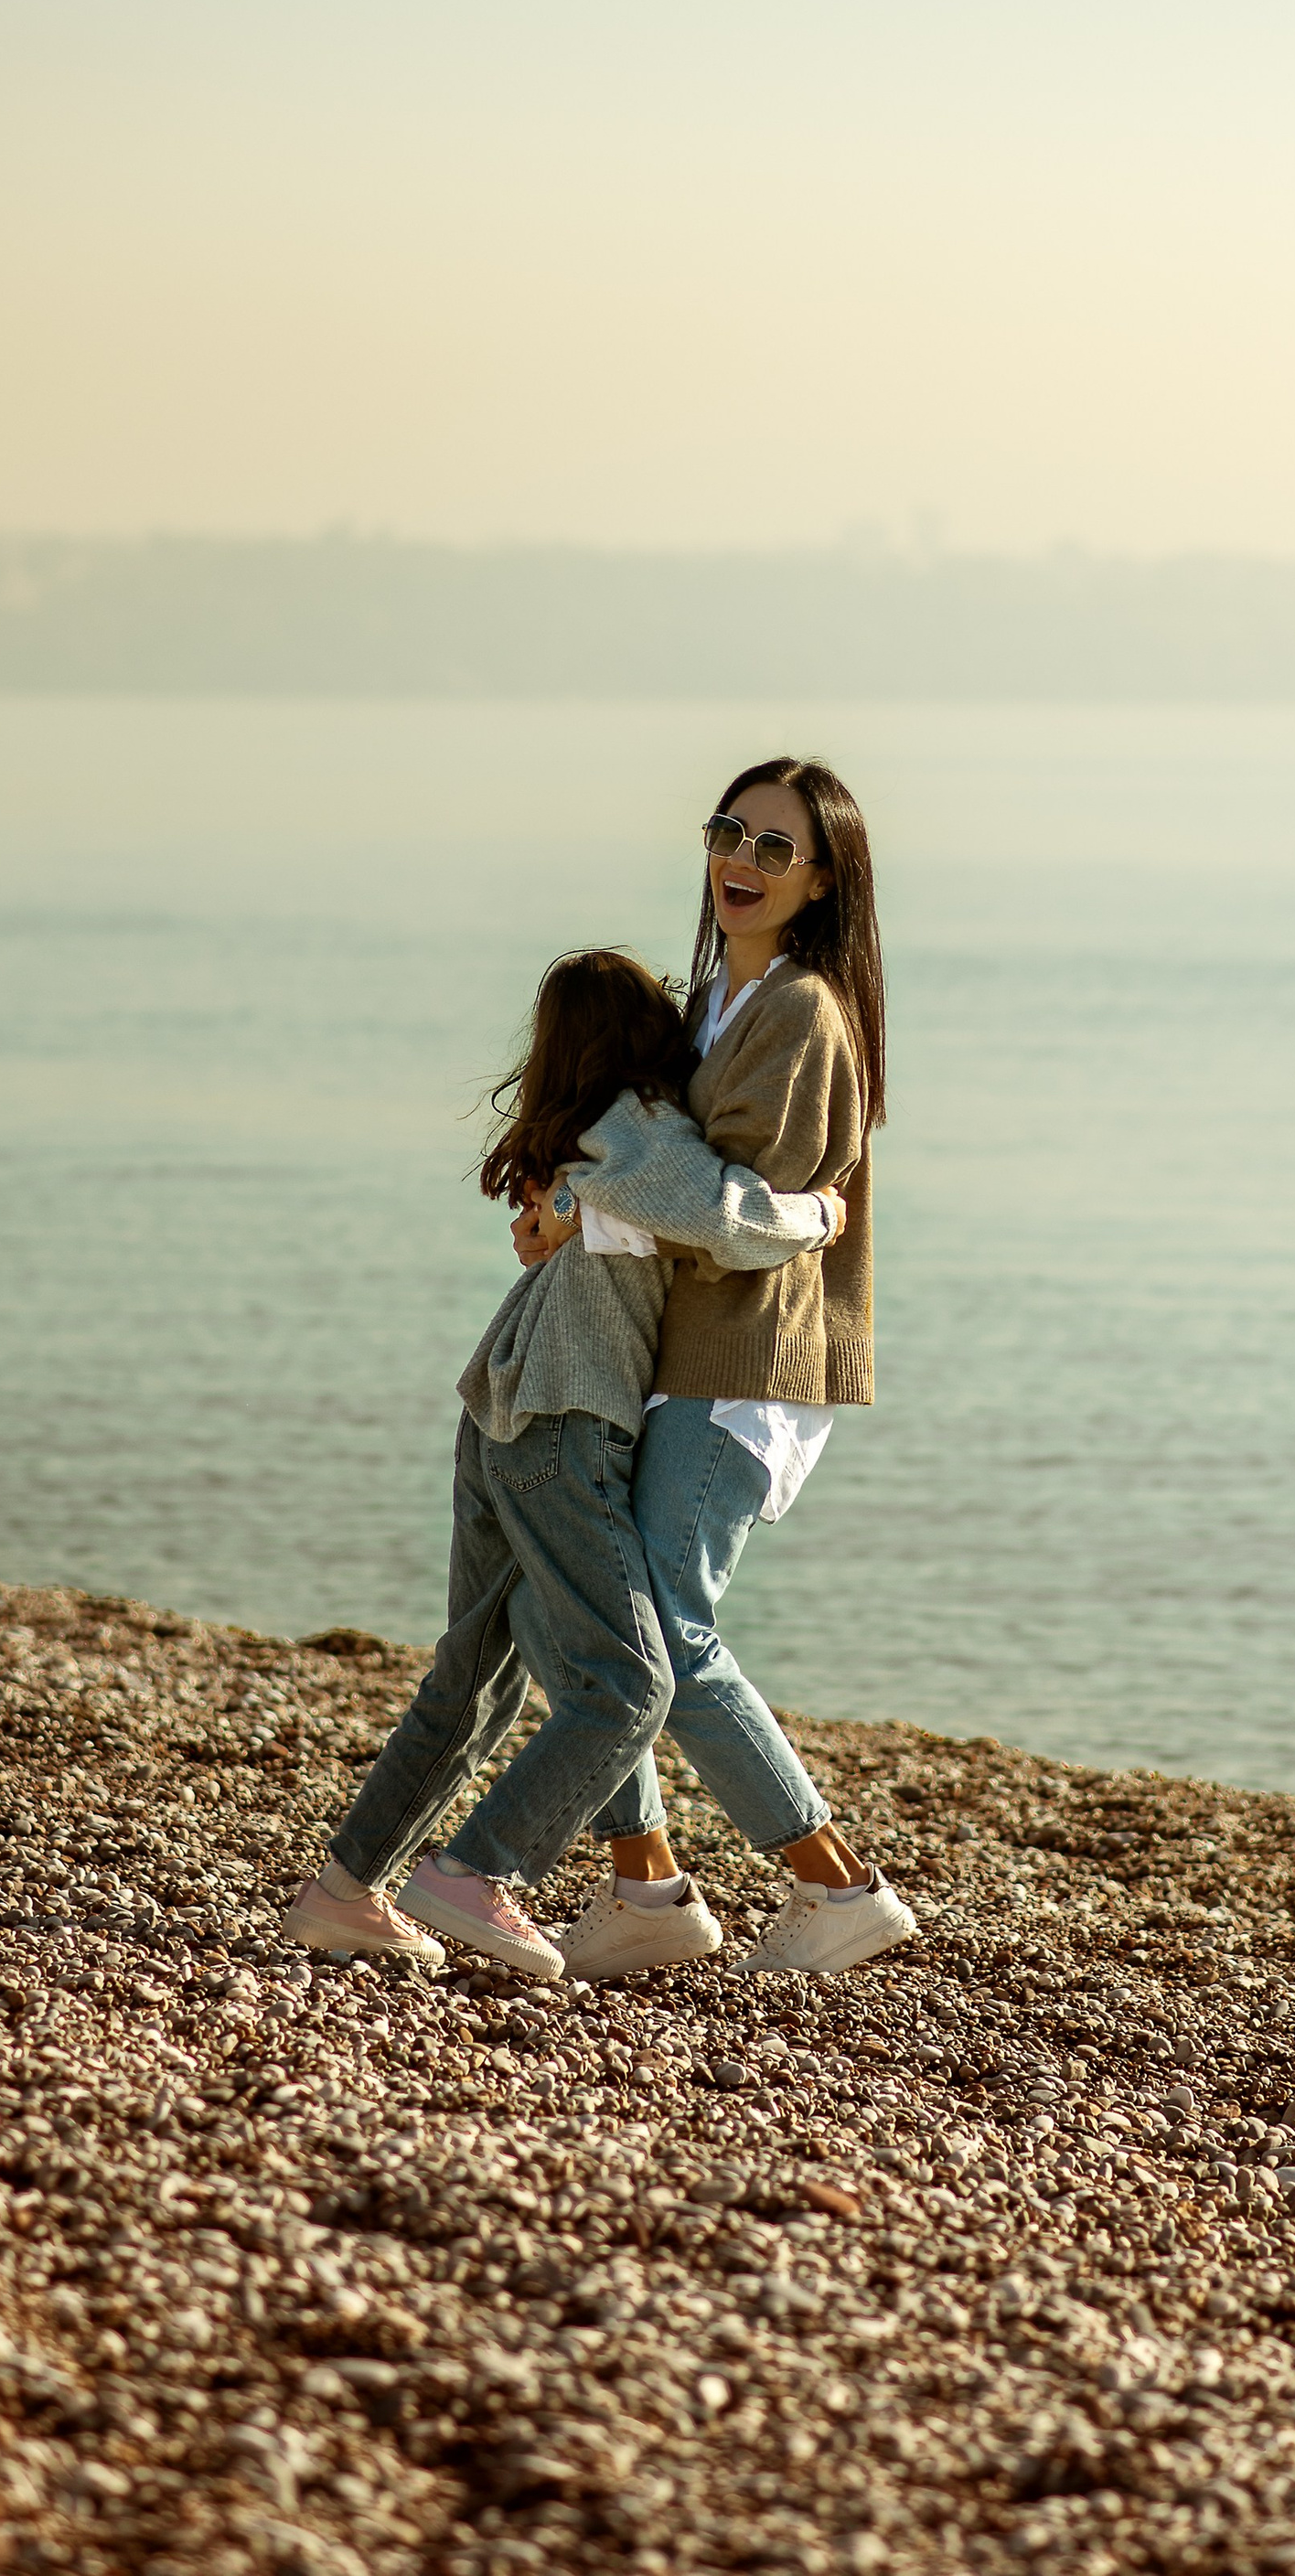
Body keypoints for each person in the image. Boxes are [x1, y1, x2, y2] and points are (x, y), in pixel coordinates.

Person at [278, 946, 844, 1984]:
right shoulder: (640, 1121)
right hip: (564, 1424)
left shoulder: (579, 1141)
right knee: (631, 1681)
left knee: (473, 1679)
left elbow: (625, 1221)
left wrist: (572, 1209)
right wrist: (823, 1213)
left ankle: (346, 1890)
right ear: (640, 1036)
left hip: (497, 1417)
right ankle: (477, 1871)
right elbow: (729, 1218)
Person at [536, 754, 916, 1980]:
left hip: (744, 1364)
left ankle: (837, 1887)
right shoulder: (709, 1002)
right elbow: (660, 1174)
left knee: (666, 1625)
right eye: (728, 833)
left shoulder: (802, 1014)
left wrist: (585, 1210)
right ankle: (644, 1886)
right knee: (601, 1612)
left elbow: (729, 1210)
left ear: (823, 881)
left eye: (775, 848)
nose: (740, 862)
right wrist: (572, 1202)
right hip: (668, 1353)